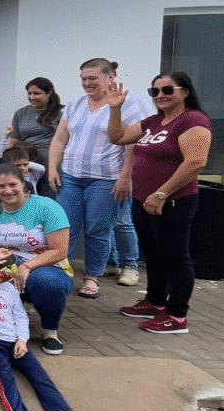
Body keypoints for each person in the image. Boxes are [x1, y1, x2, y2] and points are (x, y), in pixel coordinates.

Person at [0, 247, 121, 411]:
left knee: (40, 376)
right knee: (5, 378)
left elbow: (20, 316)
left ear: (6, 272)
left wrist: (22, 339)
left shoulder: (10, 289)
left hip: (15, 341)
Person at [107, 73, 212, 334]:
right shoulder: (153, 122)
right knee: (153, 254)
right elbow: (118, 137)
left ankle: (176, 316)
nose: (160, 95)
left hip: (173, 201)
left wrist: (162, 194)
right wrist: (115, 109)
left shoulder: (193, 120)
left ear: (185, 92)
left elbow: (195, 162)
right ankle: (155, 302)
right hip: (144, 200)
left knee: (176, 257)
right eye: (155, 91)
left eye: (167, 89)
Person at [48, 58, 151, 299]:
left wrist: (126, 177)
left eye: (92, 78)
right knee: (65, 227)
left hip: (106, 178)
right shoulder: (75, 104)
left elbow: (133, 144)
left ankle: (92, 276)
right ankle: (61, 274)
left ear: (110, 78)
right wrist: (52, 168)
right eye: (83, 78)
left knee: (98, 230)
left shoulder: (127, 103)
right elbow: (60, 138)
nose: (86, 83)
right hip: (71, 176)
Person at [0, 163, 74, 355]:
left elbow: (60, 251)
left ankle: (50, 331)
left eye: (13, 184)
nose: (8, 191)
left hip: (47, 267)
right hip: (8, 267)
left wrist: (27, 266)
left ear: (23, 183)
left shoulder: (47, 207)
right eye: (1, 186)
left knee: (46, 282)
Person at [5, 77, 62, 197]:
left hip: (50, 160)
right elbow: (14, 141)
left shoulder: (61, 112)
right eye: (29, 93)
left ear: (49, 93)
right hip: (25, 161)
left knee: (49, 193)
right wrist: (6, 160)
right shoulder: (21, 113)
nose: (32, 97)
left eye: (37, 93)